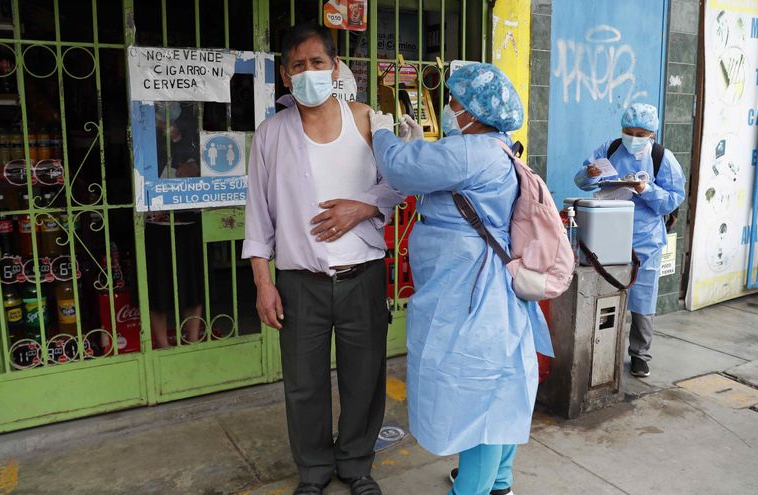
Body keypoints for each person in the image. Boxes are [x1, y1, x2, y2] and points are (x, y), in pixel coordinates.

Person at [369, 63, 554, 495]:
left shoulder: (472, 152)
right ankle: (500, 481)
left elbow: (399, 166)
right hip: (489, 289)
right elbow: (438, 169)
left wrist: (380, 130)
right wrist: (422, 147)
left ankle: (471, 489)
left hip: (473, 291)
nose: (448, 108)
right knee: (502, 387)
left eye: (453, 101)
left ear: (473, 111)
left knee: (480, 399)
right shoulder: (495, 147)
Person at [242, 23, 404, 495]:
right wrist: (263, 283)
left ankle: (356, 464)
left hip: (362, 275)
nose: (309, 72)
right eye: (298, 65)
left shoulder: (367, 120)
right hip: (299, 282)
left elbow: (397, 183)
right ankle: (312, 471)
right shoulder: (271, 134)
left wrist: (365, 205)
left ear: (335, 67)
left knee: (365, 378)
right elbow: (258, 216)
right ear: (286, 76)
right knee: (303, 383)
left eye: (318, 62)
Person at [574, 103, 686, 377]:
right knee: (603, 290)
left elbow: (673, 199)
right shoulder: (609, 150)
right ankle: (599, 350)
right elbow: (582, 180)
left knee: (643, 297)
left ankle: (640, 355)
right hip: (606, 232)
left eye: (641, 132)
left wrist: (645, 188)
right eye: (628, 131)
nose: (633, 137)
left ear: (652, 133)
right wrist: (588, 175)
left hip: (644, 237)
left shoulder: (662, 158)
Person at [145, 102, 204, 348]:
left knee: (193, 283)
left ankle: (192, 340)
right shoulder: (144, 132)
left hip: (188, 217)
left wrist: (176, 135)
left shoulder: (190, 132)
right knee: (159, 288)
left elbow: (198, 165)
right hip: (156, 222)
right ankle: (163, 345)